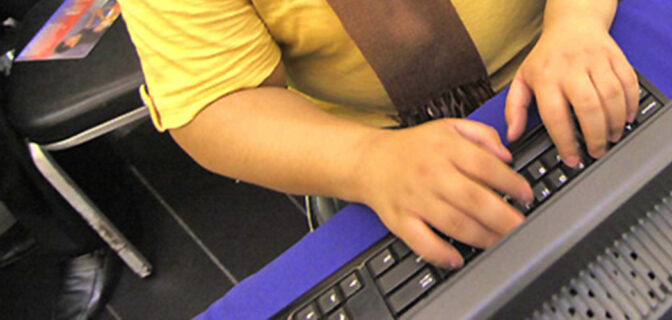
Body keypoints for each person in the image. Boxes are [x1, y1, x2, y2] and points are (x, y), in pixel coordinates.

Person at [119, 0, 639, 269]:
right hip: (374, 146)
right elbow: (215, 103)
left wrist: (575, 24)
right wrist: (367, 161)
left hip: (570, 48)